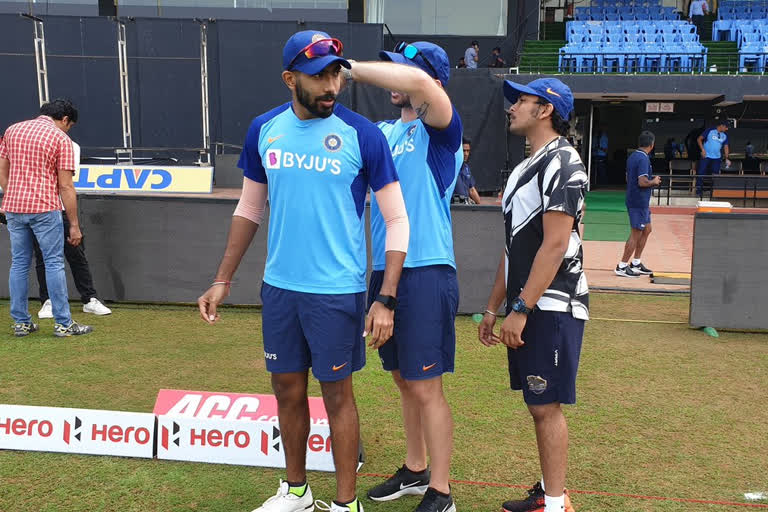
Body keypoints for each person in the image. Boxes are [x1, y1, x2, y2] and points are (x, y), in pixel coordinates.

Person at [196, 30, 408, 512]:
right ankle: (295, 491)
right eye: (318, 76)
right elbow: (249, 210)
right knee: (286, 390)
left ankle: (345, 503)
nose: (331, 85)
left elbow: (397, 220)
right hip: (280, 290)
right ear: (291, 79)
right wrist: (222, 278)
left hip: (337, 291)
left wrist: (386, 296)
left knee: (338, 396)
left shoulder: (364, 135)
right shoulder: (264, 129)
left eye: (336, 73)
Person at [345, 41, 462, 512]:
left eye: (402, 71)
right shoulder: (383, 132)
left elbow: (418, 85)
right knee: (402, 380)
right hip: (385, 272)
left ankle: (442, 490)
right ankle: (415, 470)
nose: (394, 79)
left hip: (427, 271)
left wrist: (346, 69)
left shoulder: (441, 133)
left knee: (426, 385)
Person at [478, 78, 588, 512]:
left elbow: (555, 245)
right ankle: (548, 493)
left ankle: (556, 505)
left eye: (521, 100)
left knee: (546, 405)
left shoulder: (565, 160)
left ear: (545, 110)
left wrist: (521, 307)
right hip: (529, 303)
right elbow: (514, 247)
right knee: (537, 402)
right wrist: (492, 307)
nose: (512, 107)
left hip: (554, 303)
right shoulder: (526, 168)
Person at [0, 99, 93, 337]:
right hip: (44, 207)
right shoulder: (61, 139)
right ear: (64, 120)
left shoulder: (13, 130)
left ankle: (21, 322)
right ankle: (63, 323)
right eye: (69, 125)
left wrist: (11, 194)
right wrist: (74, 225)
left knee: (19, 263)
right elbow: (66, 186)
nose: (68, 129)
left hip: (14, 207)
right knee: (53, 263)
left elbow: (2, 169)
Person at [33, 141, 111, 318]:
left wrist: (73, 222)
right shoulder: (29, 141)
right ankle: (48, 301)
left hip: (61, 208)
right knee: (42, 257)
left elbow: (66, 183)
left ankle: (89, 299)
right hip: (39, 209)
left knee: (76, 254)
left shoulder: (71, 146)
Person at [615, 131, 661, 278]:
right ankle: (622, 266)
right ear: (652, 145)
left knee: (647, 229)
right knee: (636, 233)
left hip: (639, 200)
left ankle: (636, 262)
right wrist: (654, 181)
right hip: (638, 201)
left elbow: (629, 178)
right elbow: (642, 182)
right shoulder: (643, 159)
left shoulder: (633, 156)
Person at [696, 120, 730, 196]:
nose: (727, 129)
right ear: (722, 125)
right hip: (706, 156)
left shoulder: (725, 135)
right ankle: (699, 191)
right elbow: (699, 139)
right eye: (726, 127)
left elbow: (726, 147)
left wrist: (727, 158)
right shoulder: (710, 130)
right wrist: (702, 150)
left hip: (717, 158)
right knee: (701, 172)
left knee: (715, 175)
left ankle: (714, 192)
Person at [453, 137, 482, 204]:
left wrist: (480, 207)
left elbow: (472, 190)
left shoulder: (466, 168)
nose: (466, 154)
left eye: (468, 151)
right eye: (463, 150)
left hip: (465, 208)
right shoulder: (450, 168)